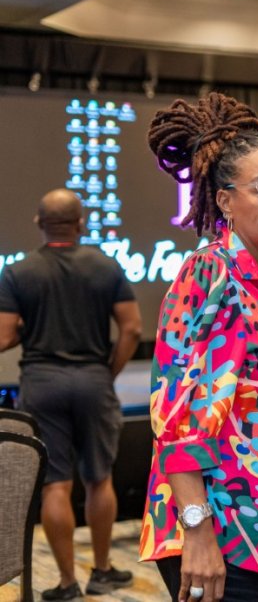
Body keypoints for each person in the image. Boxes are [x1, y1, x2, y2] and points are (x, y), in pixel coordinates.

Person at [141, 93, 258, 602]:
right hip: (225, 535)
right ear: (225, 201)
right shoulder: (213, 274)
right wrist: (198, 532)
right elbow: (178, 414)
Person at [0, 188, 142, 601]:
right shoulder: (106, 265)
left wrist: (28, 328)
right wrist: (108, 371)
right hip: (93, 380)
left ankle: (66, 584)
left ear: (39, 223)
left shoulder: (18, 271)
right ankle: (102, 571)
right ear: (81, 223)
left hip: (42, 382)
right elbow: (133, 329)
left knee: (55, 486)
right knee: (99, 479)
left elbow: (3, 336)